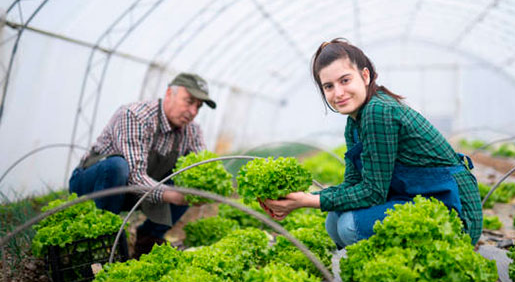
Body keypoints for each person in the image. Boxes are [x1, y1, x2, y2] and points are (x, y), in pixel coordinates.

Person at [261, 38, 482, 248]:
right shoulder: (354, 122)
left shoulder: (378, 111)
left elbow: (373, 193)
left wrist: (306, 201)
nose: (338, 93)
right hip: (414, 197)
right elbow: (353, 184)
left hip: (454, 211)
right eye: (328, 86)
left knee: (349, 226)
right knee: (334, 220)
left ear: (365, 76)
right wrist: (297, 198)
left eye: (345, 80)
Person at [69, 73, 216, 258]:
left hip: (136, 193)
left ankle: (148, 239)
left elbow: (202, 169)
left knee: (190, 180)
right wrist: (175, 196)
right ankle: (104, 239)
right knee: (117, 166)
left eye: (198, 106)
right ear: (169, 93)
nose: (193, 111)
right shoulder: (135, 116)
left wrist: (207, 189)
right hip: (95, 185)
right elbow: (135, 176)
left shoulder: (192, 130)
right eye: (189, 101)